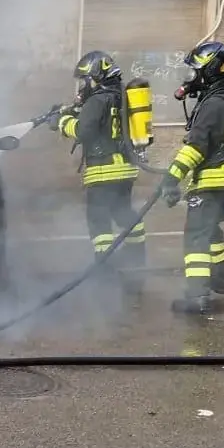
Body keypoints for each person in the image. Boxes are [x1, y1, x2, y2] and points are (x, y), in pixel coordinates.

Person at [159, 41, 224, 316]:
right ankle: (220, 278)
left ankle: (197, 296)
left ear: (211, 71)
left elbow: (197, 145)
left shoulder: (215, 103)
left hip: (215, 177)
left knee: (196, 234)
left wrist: (171, 177)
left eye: (196, 71)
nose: (191, 77)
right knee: (211, 228)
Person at [54, 50, 147, 293]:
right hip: (125, 169)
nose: (82, 85)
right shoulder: (121, 96)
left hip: (104, 170)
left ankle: (104, 269)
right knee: (122, 211)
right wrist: (72, 111)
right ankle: (137, 257)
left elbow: (85, 131)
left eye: (84, 80)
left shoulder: (97, 100)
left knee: (98, 220)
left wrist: (62, 123)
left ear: (96, 77)